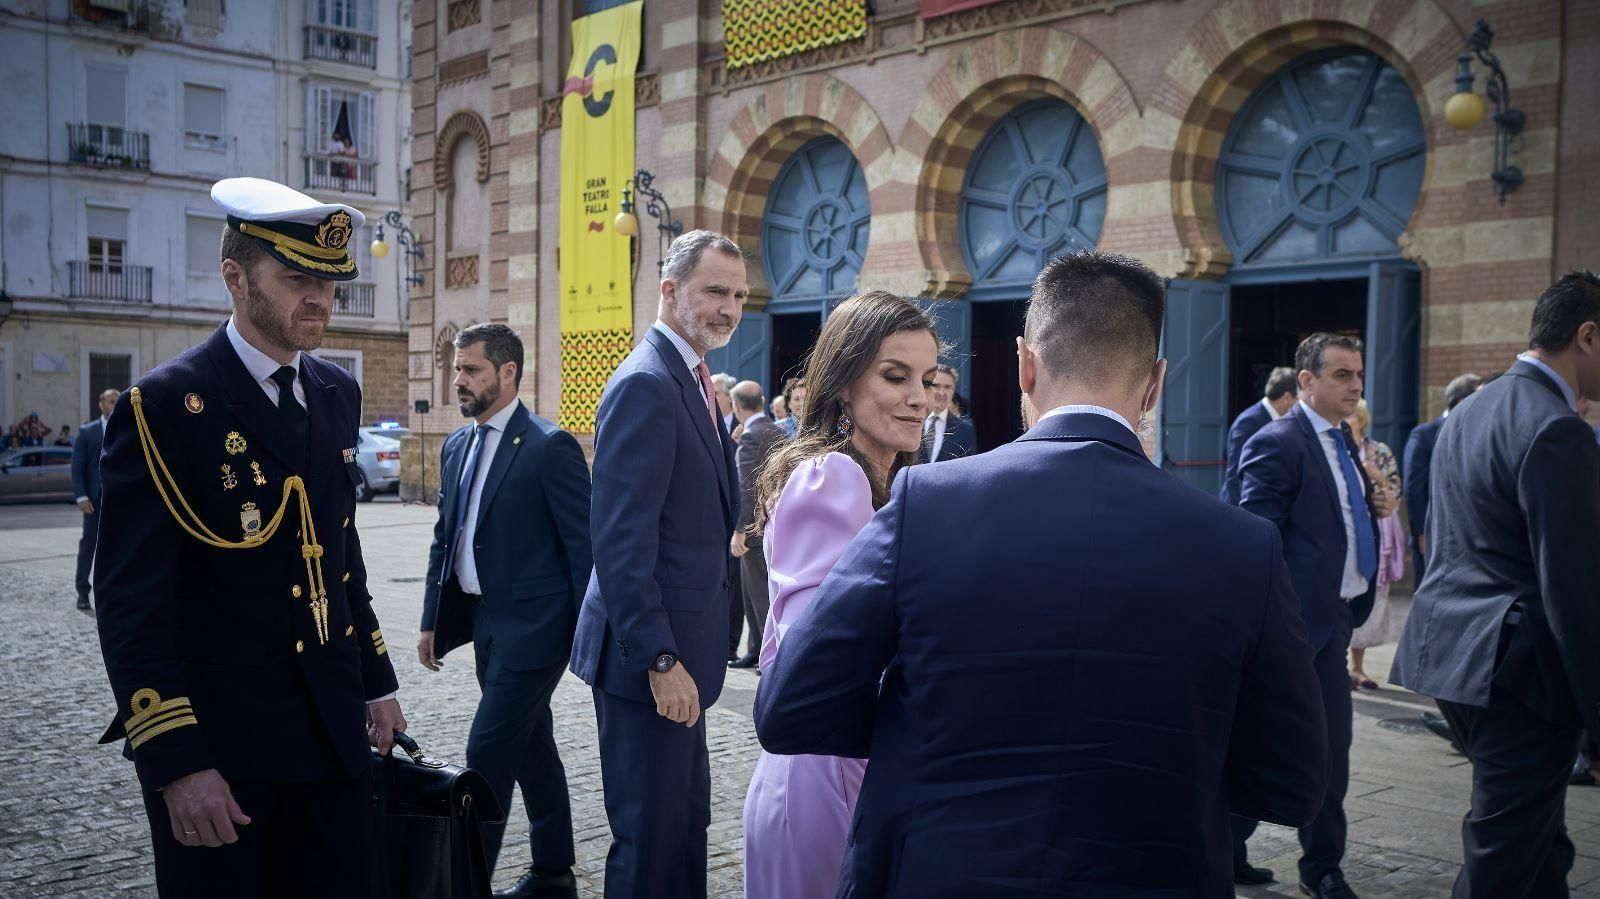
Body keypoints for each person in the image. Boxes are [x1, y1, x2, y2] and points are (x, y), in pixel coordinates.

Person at [754, 252, 1328, 898]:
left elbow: (791, 709)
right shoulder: (1244, 545)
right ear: (1156, 382)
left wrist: (934, 727)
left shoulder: (927, 505)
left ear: (1025, 363)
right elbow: (1295, 780)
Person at [93, 177, 406, 896]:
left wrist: (377, 682)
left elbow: (340, 554)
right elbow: (131, 602)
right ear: (235, 277)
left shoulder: (334, 391)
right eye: (297, 278)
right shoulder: (166, 405)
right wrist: (175, 760)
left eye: (330, 282)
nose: (320, 299)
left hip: (331, 737)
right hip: (224, 752)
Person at [1391, 271, 1600, 899]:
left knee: (1539, 845)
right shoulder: (1556, 426)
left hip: (1458, 661)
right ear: (1587, 336)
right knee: (1502, 858)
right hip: (1520, 674)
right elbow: (1576, 592)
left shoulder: (1469, 409)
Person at [741, 292, 939, 898]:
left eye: (927, 379)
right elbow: (819, 661)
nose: (919, 398)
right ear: (844, 383)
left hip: (847, 763)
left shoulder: (881, 479)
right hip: (823, 771)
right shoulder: (835, 476)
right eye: (894, 376)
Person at [568, 229, 746, 899]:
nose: (729, 308)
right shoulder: (647, 381)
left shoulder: (691, 378)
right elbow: (620, 540)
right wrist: (661, 660)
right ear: (669, 291)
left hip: (684, 658)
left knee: (685, 828)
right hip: (650, 663)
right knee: (649, 841)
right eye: (714, 291)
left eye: (738, 295)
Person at [417, 322, 591, 899]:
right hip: (484, 626)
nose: (458, 380)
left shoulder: (549, 446)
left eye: (471, 370)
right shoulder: (456, 445)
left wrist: (587, 638)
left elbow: (582, 550)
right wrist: (429, 621)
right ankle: (554, 873)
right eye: (457, 368)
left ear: (508, 372)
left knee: (486, 752)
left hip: (537, 632)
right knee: (533, 747)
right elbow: (447, 538)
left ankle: (466, 886)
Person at [1233, 332, 1394, 899]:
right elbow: (1257, 537)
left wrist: (1374, 509)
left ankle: (1309, 862)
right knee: (1287, 742)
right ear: (1306, 381)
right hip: (1297, 627)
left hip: (1338, 617)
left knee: (1326, 750)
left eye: (1359, 376)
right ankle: (1294, 860)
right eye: (1342, 375)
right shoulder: (1278, 441)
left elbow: (1340, 518)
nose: (1355, 386)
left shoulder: (1345, 440)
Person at [1401, 372, 1482, 583]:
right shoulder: (1424, 434)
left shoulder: (1481, 431)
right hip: (1434, 533)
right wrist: (1420, 532)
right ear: (1463, 400)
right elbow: (1413, 486)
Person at [1347, 399, 1405, 690]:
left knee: (1373, 597)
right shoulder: (1334, 448)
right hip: (1347, 534)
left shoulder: (1379, 451)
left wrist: (1377, 477)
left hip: (1377, 531)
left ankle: (1358, 668)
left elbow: (1396, 489)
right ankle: (1341, 665)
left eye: (1352, 416)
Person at [728, 379, 782, 671]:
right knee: (753, 591)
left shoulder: (751, 436)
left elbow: (746, 487)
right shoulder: (774, 430)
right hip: (771, 523)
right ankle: (755, 649)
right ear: (761, 401)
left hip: (754, 528)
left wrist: (740, 530)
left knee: (760, 593)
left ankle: (771, 658)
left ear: (736, 406)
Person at [70, 388, 118, 612]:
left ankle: (112, 592)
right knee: (89, 547)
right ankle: (82, 592)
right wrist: (81, 496)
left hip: (119, 501)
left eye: (118, 402)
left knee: (116, 548)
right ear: (101, 405)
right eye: (111, 402)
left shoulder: (125, 430)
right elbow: (77, 467)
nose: (115, 406)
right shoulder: (87, 432)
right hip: (94, 501)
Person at [1220, 366, 1298, 505]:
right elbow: (1235, 476)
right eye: (1298, 400)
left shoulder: (1277, 420)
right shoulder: (1249, 422)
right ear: (1287, 397)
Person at [918, 363, 976, 463]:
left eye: (947, 387)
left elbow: (968, 469)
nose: (941, 393)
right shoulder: (912, 420)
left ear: (953, 390)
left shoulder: (965, 429)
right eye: (936, 386)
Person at [712, 372, 737, 436]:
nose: (710, 397)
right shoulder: (701, 423)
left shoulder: (743, 425)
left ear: (730, 397)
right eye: (708, 393)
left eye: (716, 393)